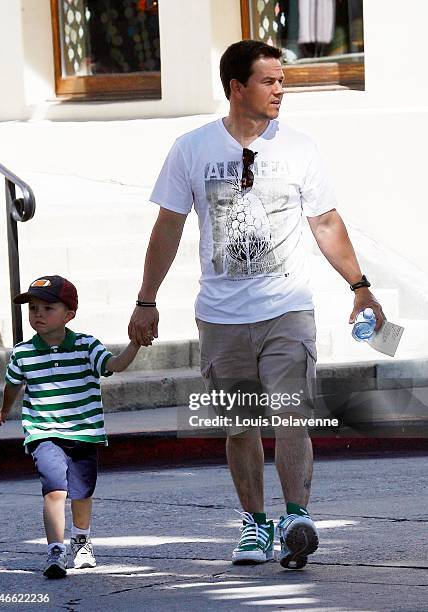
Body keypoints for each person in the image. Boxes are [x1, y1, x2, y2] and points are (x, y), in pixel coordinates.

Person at [128, 40, 384, 570]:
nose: (280, 91)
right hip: (221, 315)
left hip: (287, 307)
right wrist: (146, 299)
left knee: (292, 416)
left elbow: (326, 222)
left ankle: (296, 517)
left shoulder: (299, 148)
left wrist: (360, 285)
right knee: (241, 424)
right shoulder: (191, 148)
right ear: (235, 87)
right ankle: (255, 523)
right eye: (269, 81)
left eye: (282, 81)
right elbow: (168, 227)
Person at [0, 275, 140, 578]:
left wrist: (136, 343)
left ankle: (81, 542)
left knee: (82, 492)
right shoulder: (22, 352)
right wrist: (4, 410)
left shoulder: (86, 345)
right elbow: (12, 385)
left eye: (47, 308)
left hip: (83, 431)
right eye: (33, 309)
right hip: (44, 432)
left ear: (69, 314)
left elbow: (115, 365)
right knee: (54, 489)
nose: (38, 314)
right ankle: (55, 550)